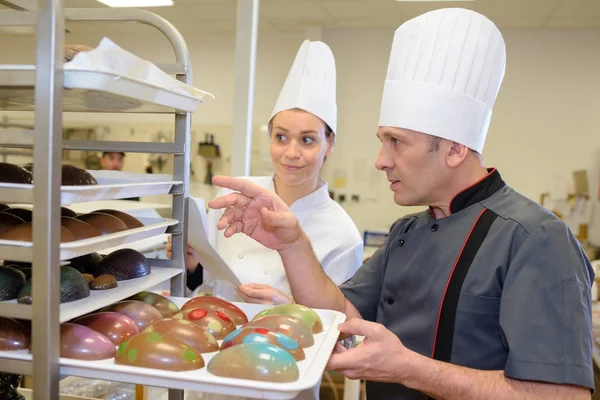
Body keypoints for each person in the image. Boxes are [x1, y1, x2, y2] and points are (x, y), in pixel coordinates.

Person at [207, 8, 594, 400]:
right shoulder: (407, 231)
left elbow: (563, 395)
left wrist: (409, 369)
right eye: (382, 140)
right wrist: (292, 243)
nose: (380, 159)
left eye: (396, 141)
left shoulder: (537, 239)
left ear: (455, 149)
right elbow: (340, 314)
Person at [168, 39, 363, 400]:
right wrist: (190, 260)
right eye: (281, 137)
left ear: (329, 144)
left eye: (307, 140)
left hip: (283, 380)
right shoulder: (242, 197)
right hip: (210, 366)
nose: (292, 153)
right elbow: (203, 282)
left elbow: (341, 333)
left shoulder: (342, 233)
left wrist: (284, 307)